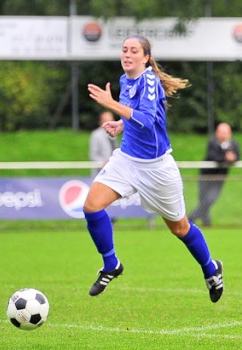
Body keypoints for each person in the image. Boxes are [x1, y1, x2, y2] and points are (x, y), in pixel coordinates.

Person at [83, 35, 224, 303]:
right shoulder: (125, 80)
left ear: (146, 57)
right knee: (91, 206)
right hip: (126, 159)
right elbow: (137, 114)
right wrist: (120, 124)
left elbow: (148, 121)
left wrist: (110, 105)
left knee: (180, 228)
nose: (126, 54)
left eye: (133, 51)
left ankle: (211, 269)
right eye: (124, 50)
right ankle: (111, 264)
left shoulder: (149, 80)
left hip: (157, 168)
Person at [189, 122, 241, 227]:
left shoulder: (234, 144)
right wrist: (226, 158)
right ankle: (207, 224)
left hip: (219, 177)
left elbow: (237, 156)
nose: (223, 134)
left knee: (211, 199)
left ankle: (190, 218)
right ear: (216, 133)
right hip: (206, 176)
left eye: (225, 132)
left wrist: (233, 158)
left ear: (230, 133)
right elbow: (213, 156)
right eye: (221, 132)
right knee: (204, 200)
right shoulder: (212, 143)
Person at [89, 110, 118, 177]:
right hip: (100, 173)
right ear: (101, 122)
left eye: (111, 120)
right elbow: (93, 155)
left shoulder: (114, 135)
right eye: (107, 121)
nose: (110, 123)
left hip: (114, 172)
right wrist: (104, 162)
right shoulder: (96, 135)